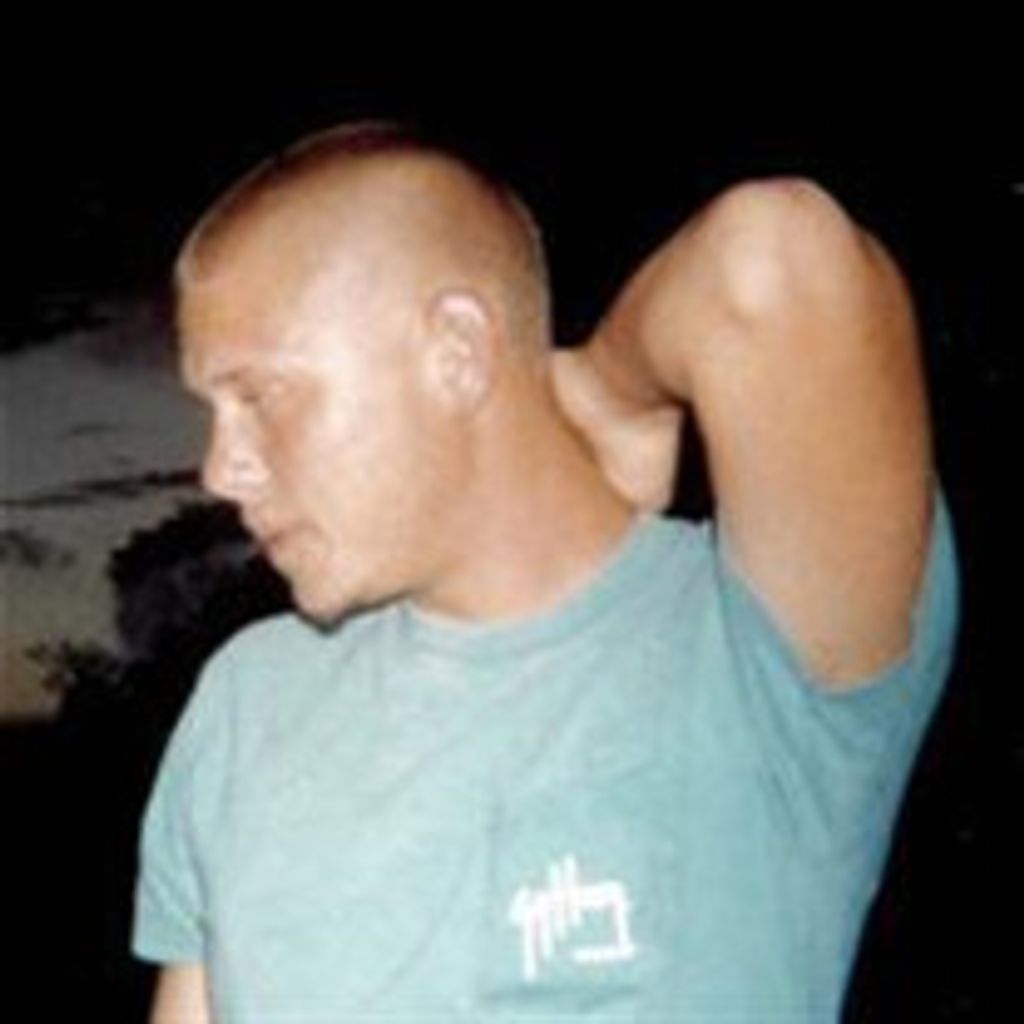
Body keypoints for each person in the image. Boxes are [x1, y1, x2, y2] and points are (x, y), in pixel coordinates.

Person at [132, 121, 960, 1022]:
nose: (220, 469)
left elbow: (774, 258)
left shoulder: (752, 657)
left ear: (456, 350)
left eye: (259, 395)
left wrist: (611, 387)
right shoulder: (247, 699)